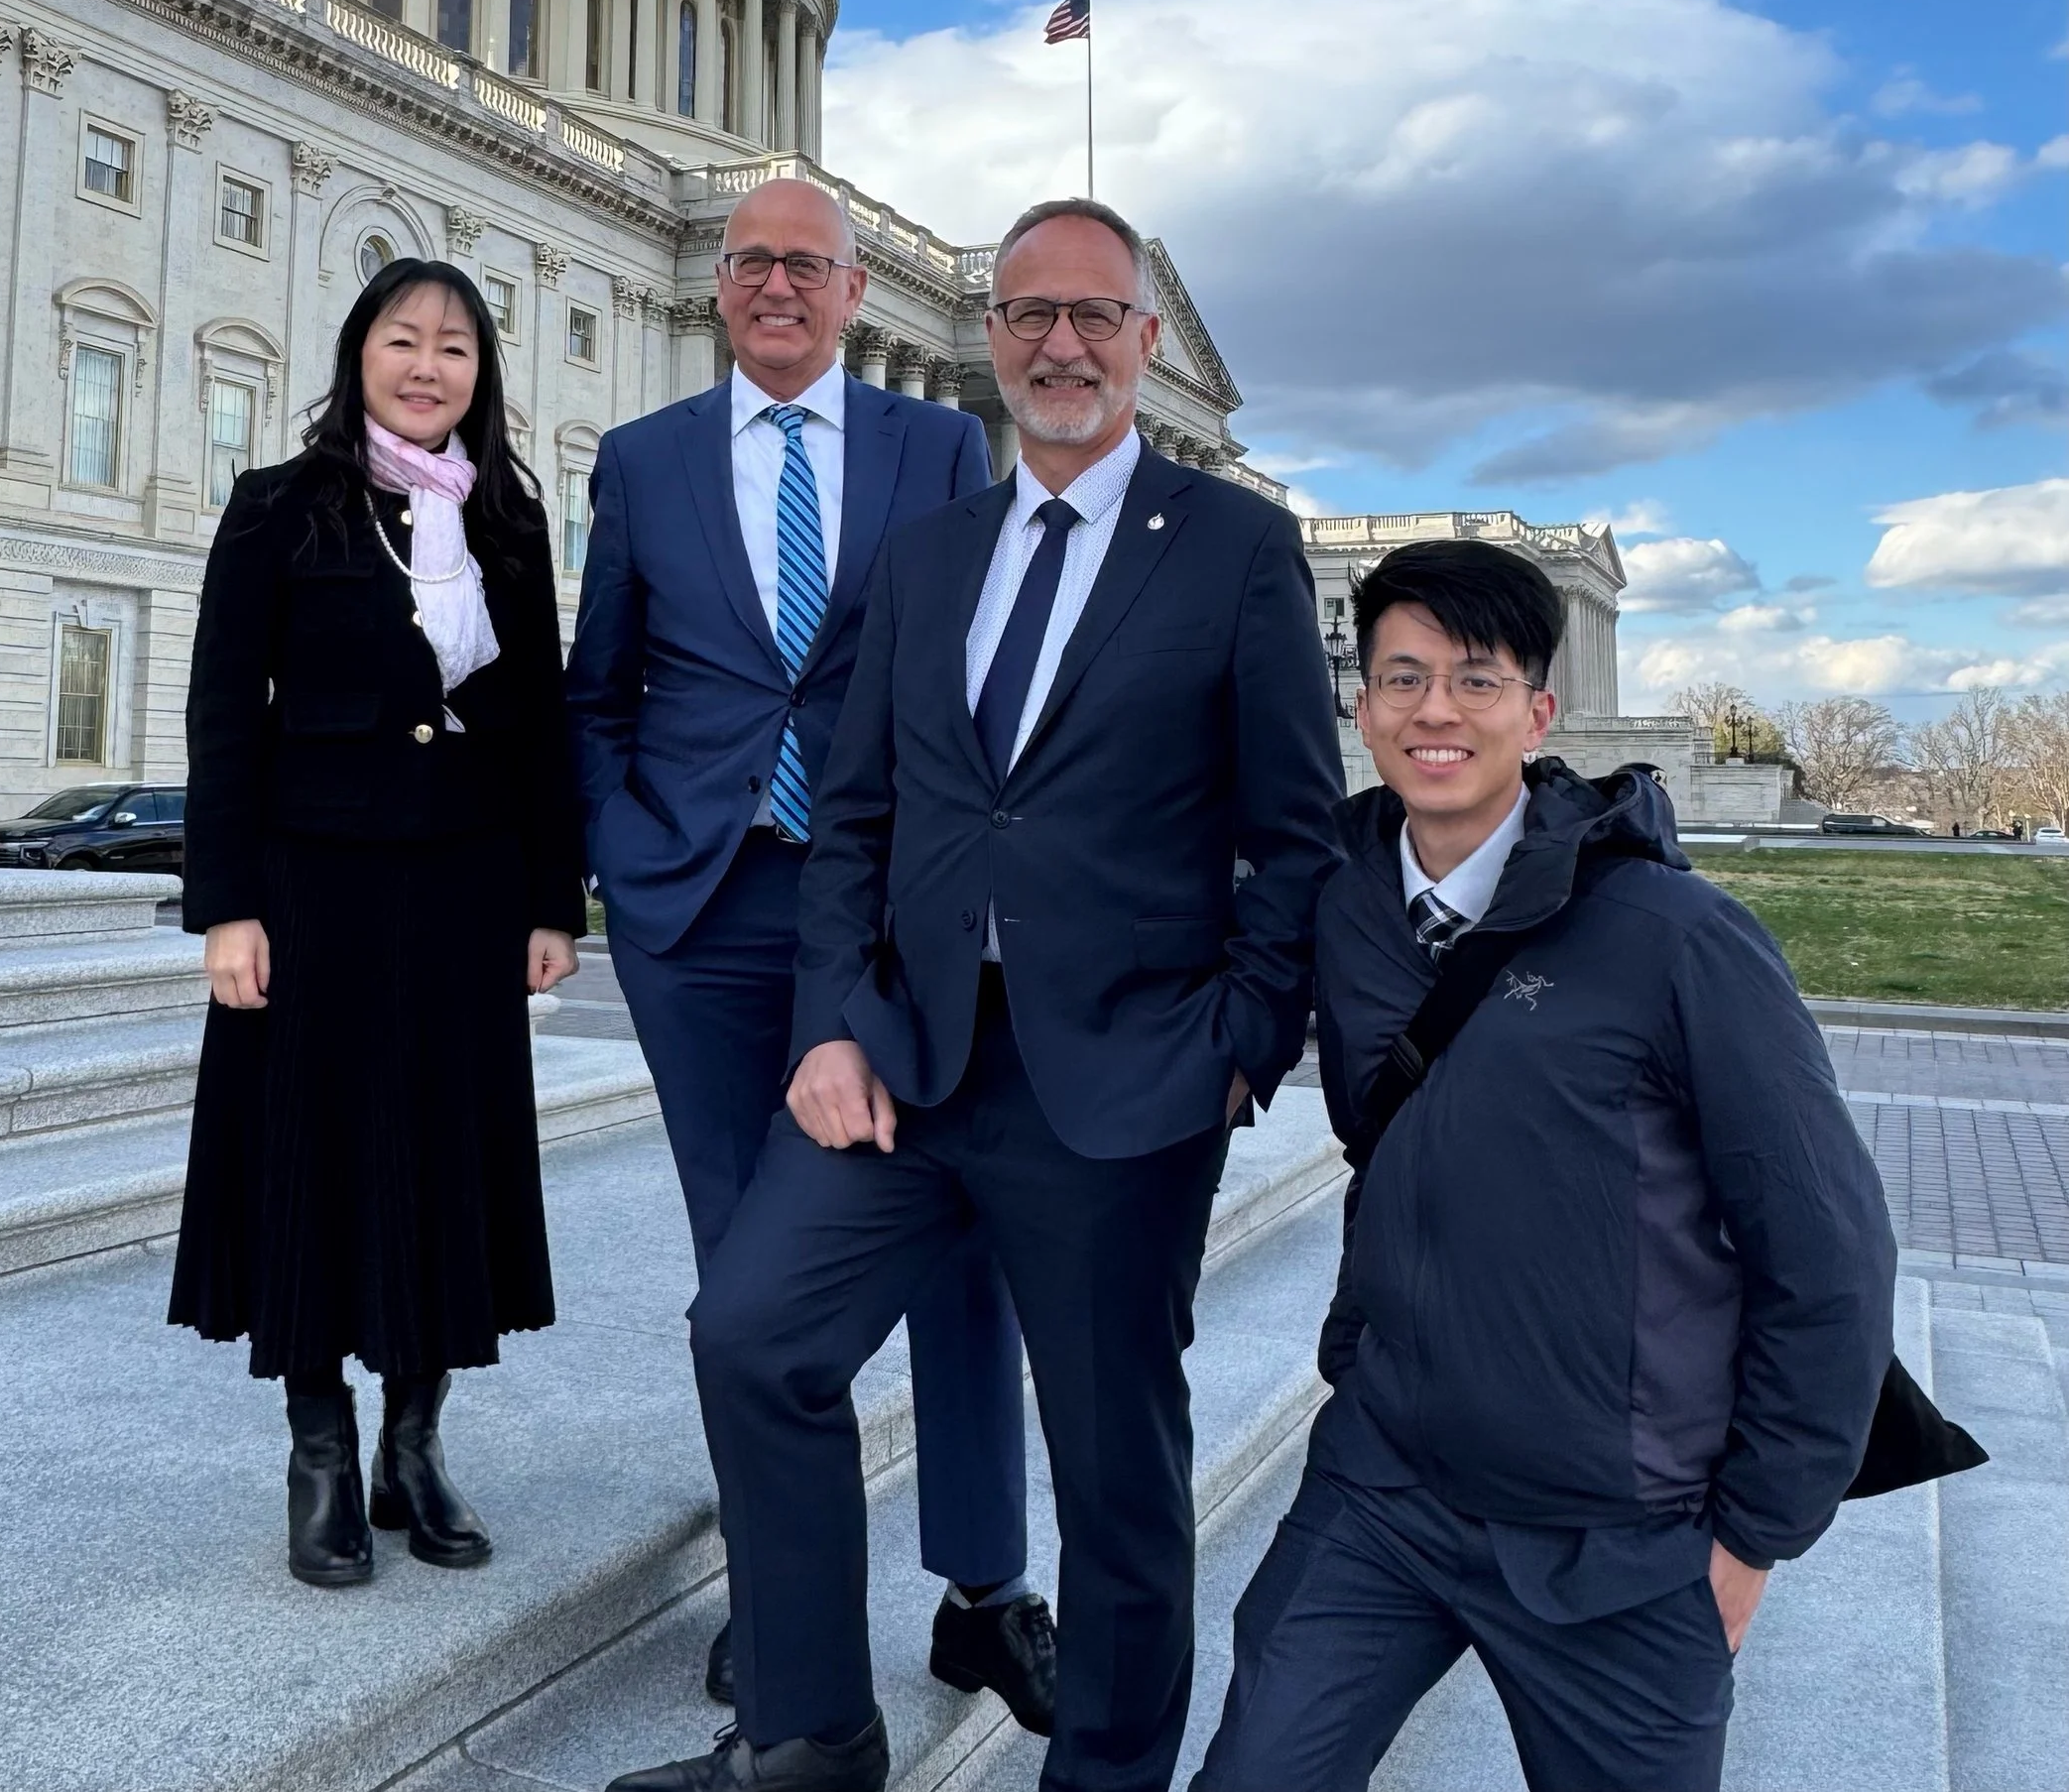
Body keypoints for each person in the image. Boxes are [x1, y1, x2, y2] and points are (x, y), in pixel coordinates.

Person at [609, 198, 1346, 1792]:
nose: (1059, 344)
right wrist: (825, 1021)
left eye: (1093, 315)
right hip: (908, 1061)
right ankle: (811, 1734)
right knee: (752, 1337)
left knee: (1115, 1473)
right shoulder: (929, 553)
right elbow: (857, 817)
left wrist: (1240, 1048)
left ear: (1148, 342)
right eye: (1028, 315)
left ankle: (1103, 1778)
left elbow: (1293, 835)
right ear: (989, 337)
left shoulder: (1233, 550)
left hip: (1122, 1080)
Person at [1193, 538, 1897, 1792]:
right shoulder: (1348, 904)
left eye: (1474, 679)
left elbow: (1828, 1250)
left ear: (1537, 709)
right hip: (1386, 1487)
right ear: (1362, 708)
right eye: (1403, 679)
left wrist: (1752, 1537)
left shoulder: (1678, 937)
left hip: (1617, 1534)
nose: (1435, 712)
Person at [567, 177, 1045, 1723]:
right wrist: (623, 855)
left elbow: (979, 678)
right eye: (754, 263)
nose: (779, 286)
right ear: (720, 287)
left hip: (896, 917)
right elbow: (600, 687)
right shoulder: (642, 462)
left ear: (857, 295)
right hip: (699, 909)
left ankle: (986, 1585)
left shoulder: (935, 445)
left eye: (809, 266)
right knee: (743, 1261)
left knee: (957, 1234)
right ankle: (783, 1598)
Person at [169, 257, 585, 1591]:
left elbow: (540, 734)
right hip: (312, 889)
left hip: (464, 891)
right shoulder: (280, 510)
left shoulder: (509, 519)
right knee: (311, 1154)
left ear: (482, 375)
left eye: (455, 349)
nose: (428, 367)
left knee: (440, 1159)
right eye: (403, 341)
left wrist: (549, 901)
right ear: (358, 354)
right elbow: (226, 717)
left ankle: (416, 1439)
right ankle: (321, 1452)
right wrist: (225, 906)